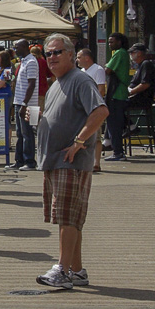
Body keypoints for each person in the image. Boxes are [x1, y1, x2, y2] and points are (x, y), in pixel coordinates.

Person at [35, 34, 108, 291]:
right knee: (70, 218)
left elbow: (100, 111)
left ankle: (63, 270)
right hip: (55, 160)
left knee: (67, 218)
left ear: (70, 54)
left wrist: (79, 141)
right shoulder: (58, 82)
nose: (52, 57)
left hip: (71, 161)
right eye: (48, 54)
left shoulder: (79, 80)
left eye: (57, 52)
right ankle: (76, 270)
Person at [11, 39, 38, 171]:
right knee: (20, 133)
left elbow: (31, 84)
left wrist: (24, 104)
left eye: (17, 47)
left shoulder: (32, 62)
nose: (15, 50)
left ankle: (30, 161)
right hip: (19, 101)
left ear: (25, 47)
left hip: (28, 104)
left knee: (28, 133)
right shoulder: (23, 62)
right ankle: (19, 160)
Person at [103, 33, 131, 160]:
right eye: (109, 42)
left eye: (112, 42)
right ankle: (109, 142)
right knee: (113, 121)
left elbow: (107, 70)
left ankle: (118, 152)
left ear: (119, 42)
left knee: (114, 123)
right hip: (119, 93)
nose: (110, 44)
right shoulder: (122, 53)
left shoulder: (120, 53)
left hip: (116, 93)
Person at [124, 43, 155, 151]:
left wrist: (131, 92)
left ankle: (131, 127)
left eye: (132, 53)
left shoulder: (146, 64)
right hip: (135, 97)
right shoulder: (140, 65)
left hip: (142, 99)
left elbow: (145, 84)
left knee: (116, 105)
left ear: (139, 53)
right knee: (111, 104)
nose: (131, 55)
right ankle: (128, 127)